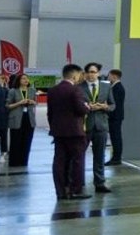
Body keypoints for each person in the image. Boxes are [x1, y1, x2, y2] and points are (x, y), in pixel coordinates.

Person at [48, 63, 91, 200]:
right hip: (75, 132)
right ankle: (75, 190)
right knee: (77, 161)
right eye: (80, 74)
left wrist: (54, 128)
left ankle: (60, 191)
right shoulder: (75, 90)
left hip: (58, 132)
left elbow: (50, 113)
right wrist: (87, 107)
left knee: (59, 161)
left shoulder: (53, 90)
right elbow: (81, 109)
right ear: (74, 75)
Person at [79, 63, 113, 194]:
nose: (90, 75)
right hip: (84, 125)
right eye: (88, 72)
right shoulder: (79, 87)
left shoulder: (106, 86)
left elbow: (113, 105)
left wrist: (105, 107)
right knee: (79, 155)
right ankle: (79, 182)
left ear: (98, 73)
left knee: (99, 156)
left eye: (93, 72)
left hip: (101, 125)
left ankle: (99, 183)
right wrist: (87, 107)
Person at [6, 73, 38, 173]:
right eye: (23, 78)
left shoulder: (32, 90)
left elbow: (35, 102)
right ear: (19, 80)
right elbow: (7, 105)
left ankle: (24, 161)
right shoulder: (13, 91)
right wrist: (19, 103)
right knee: (16, 140)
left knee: (27, 140)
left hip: (29, 118)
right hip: (16, 118)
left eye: (27, 78)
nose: (26, 80)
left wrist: (32, 102)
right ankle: (14, 162)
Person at [105, 69, 125, 166]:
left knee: (116, 137)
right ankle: (116, 157)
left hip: (115, 117)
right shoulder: (115, 87)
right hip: (115, 116)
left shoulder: (117, 88)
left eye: (109, 75)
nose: (108, 77)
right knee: (115, 137)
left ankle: (116, 158)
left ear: (114, 76)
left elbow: (114, 103)